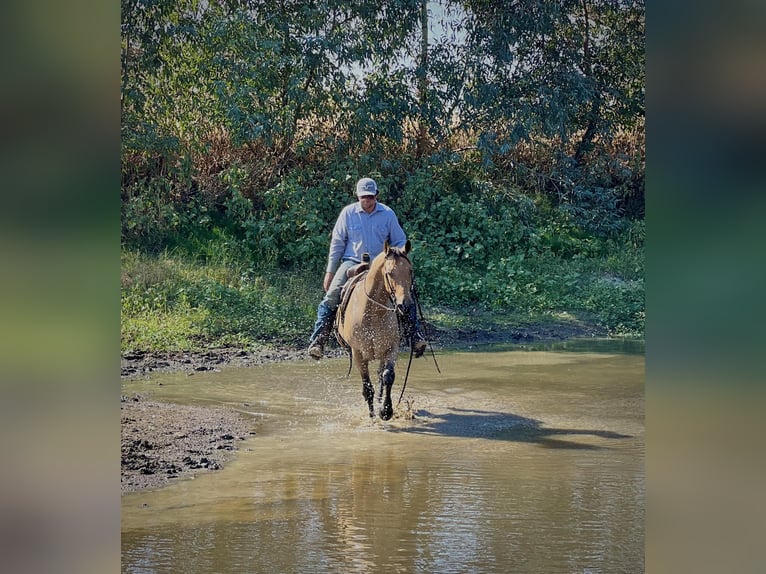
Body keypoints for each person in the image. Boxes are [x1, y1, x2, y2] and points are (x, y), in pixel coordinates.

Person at [308, 177, 428, 360]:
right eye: (364, 197)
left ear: (376, 196)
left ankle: (415, 337)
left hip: (382, 266)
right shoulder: (348, 214)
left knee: (406, 294)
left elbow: (400, 240)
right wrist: (330, 272)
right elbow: (337, 244)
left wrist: (399, 253)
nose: (367, 201)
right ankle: (319, 340)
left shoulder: (387, 214)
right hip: (352, 262)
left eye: (371, 197)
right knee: (332, 296)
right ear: (358, 196)